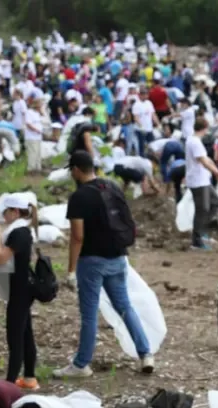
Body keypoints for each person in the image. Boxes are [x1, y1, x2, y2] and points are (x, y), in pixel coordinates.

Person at [54, 151, 155, 377]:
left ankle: (81, 365)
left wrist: (71, 270)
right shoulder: (111, 187)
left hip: (92, 262)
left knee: (89, 315)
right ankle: (146, 353)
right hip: (118, 258)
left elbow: (77, 237)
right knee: (125, 307)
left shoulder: (79, 197)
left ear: (76, 170)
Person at [0, 193, 40, 389]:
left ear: (15, 211)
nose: (4, 215)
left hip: (20, 290)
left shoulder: (19, 233)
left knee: (15, 336)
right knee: (26, 333)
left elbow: (1, 258)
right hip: (22, 287)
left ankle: (9, 383)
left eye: (7, 211)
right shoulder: (23, 230)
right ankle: (29, 378)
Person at [186, 118, 218, 250]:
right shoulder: (194, 142)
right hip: (198, 181)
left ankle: (201, 232)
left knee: (214, 203)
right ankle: (196, 240)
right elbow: (203, 161)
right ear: (205, 128)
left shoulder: (194, 141)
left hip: (203, 179)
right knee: (202, 209)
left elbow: (207, 159)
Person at [23, 98, 44, 174]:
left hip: (38, 137)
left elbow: (43, 116)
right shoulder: (29, 112)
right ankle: (31, 169)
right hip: (31, 136)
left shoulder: (37, 113)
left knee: (38, 153)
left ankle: (37, 168)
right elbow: (28, 124)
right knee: (32, 153)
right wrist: (36, 130)